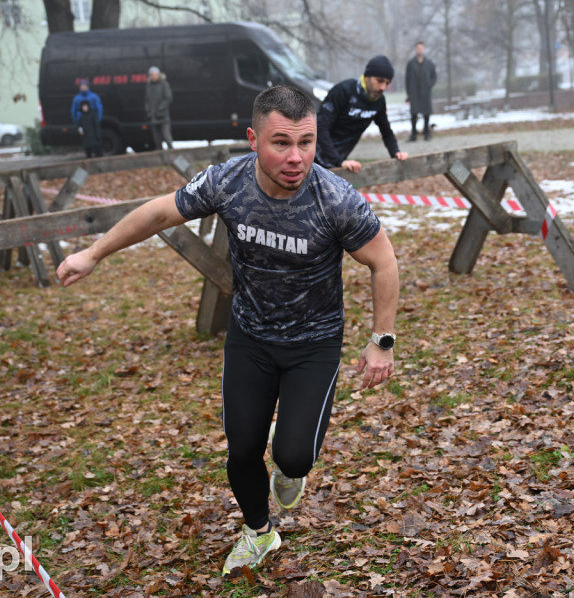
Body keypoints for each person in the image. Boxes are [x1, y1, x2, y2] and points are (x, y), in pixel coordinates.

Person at [56, 85, 400, 576]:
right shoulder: (227, 182)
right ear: (252, 139)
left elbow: (384, 262)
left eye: (306, 142)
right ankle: (259, 532)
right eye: (281, 142)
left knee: (295, 457)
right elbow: (158, 212)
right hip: (251, 337)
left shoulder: (337, 199)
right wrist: (93, 253)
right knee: (241, 449)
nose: (296, 157)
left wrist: (381, 341)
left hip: (313, 344)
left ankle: (290, 459)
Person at [316, 55, 407, 173]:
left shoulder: (378, 101)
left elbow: (386, 131)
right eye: (379, 81)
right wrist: (338, 161)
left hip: (337, 162)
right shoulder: (343, 91)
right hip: (313, 157)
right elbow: (320, 128)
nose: (383, 87)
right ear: (367, 77)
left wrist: (396, 152)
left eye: (387, 83)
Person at [404, 41, 437, 142]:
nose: (420, 50)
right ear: (415, 49)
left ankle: (426, 133)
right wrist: (409, 92)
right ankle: (413, 134)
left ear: (424, 49)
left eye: (421, 48)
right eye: (418, 48)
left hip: (425, 92)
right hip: (414, 92)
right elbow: (407, 78)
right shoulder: (410, 64)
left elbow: (434, 77)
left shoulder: (429, 64)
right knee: (414, 114)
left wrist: (429, 85)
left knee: (426, 113)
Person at [145, 66, 174, 150]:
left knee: (166, 136)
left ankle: (172, 153)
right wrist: (148, 111)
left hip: (163, 116)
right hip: (153, 117)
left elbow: (168, 98)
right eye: (152, 75)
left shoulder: (164, 84)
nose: (154, 76)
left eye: (155, 74)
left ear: (158, 75)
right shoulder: (148, 86)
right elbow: (147, 100)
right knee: (157, 139)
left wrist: (160, 109)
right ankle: (160, 158)